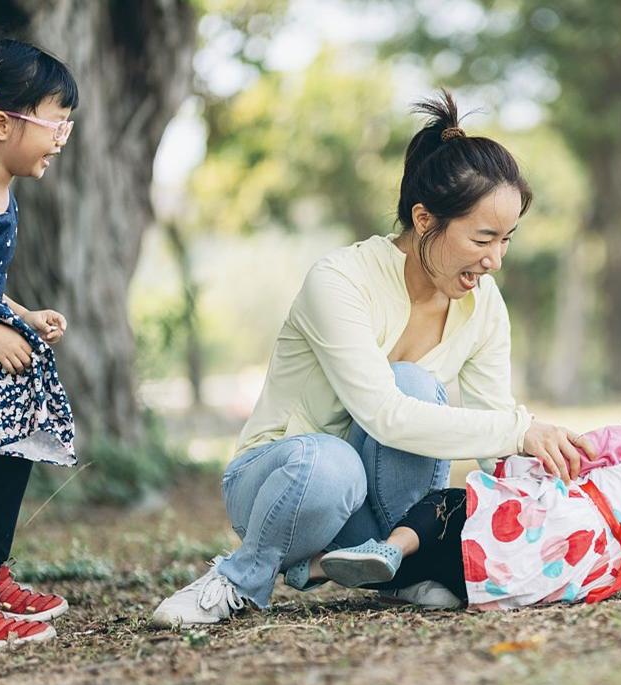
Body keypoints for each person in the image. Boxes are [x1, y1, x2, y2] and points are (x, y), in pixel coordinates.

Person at [152, 91, 595, 627]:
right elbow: (385, 415)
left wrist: (567, 508)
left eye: (506, 240)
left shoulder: (483, 306)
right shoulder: (340, 280)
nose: (496, 260)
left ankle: (397, 566)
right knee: (345, 450)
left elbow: (493, 435)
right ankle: (240, 577)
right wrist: (519, 429)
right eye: (483, 238)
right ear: (425, 218)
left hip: (368, 507)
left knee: (416, 384)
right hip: (283, 482)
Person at [318, 367, 621, 610]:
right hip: (565, 581)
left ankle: (386, 549)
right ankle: (435, 590)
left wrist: (506, 469)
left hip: (532, 536)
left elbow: (564, 461)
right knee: (454, 557)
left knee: (449, 506)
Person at [0, 40, 79, 647]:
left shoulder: (7, 196)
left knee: (16, 448)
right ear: (1, 122)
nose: (62, 137)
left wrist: (24, 314)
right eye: (56, 122)